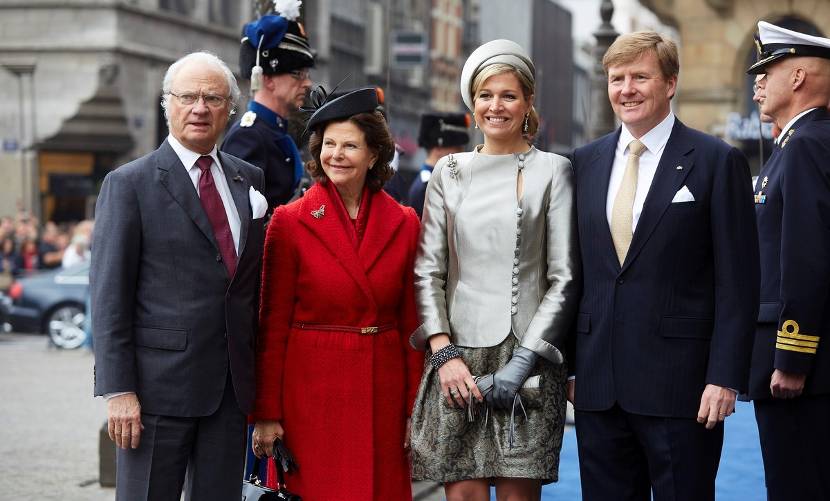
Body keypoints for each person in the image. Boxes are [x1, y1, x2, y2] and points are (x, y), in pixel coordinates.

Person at [569, 31, 760, 501]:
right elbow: (572, 275)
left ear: (670, 83)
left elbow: (739, 281)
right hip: (598, 387)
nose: (627, 89)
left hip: (684, 388)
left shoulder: (717, 161)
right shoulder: (580, 163)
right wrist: (569, 368)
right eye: (617, 79)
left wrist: (724, 377)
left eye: (640, 77)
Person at [90, 51, 266, 501]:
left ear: (231, 108)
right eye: (187, 96)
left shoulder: (249, 179)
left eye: (212, 97)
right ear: (166, 104)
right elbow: (109, 297)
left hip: (229, 391)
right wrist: (118, 391)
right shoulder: (129, 184)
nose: (199, 108)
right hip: (155, 394)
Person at [409, 39, 579, 501]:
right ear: (472, 103)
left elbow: (564, 277)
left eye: (508, 95)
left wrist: (524, 362)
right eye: (486, 95)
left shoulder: (555, 170)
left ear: (527, 103)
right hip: (456, 360)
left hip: (529, 357)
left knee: (517, 496)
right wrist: (443, 355)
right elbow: (429, 271)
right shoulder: (449, 171)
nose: (496, 106)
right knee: (461, 493)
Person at [250, 86, 424, 501]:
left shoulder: (404, 223)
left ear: (374, 155)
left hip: (381, 390)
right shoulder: (289, 222)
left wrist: (413, 409)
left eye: (350, 145)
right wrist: (266, 414)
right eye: (329, 144)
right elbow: (271, 326)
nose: (336, 155)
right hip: (310, 394)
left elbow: (413, 324)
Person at [745, 21, 830, 500]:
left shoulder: (805, 146)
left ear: (797, 77)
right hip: (806, 365)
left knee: (798, 484)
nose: (757, 82)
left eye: (767, 69)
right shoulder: (796, 144)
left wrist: (793, 357)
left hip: (804, 370)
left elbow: (806, 255)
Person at [221, 1, 314, 212]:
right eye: (297, 74)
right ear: (268, 79)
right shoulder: (249, 136)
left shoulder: (275, 131)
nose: (307, 83)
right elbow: (241, 219)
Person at [406, 112, 470, 217]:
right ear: (439, 148)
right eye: (457, 148)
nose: (461, 153)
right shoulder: (427, 187)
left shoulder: (436, 182)